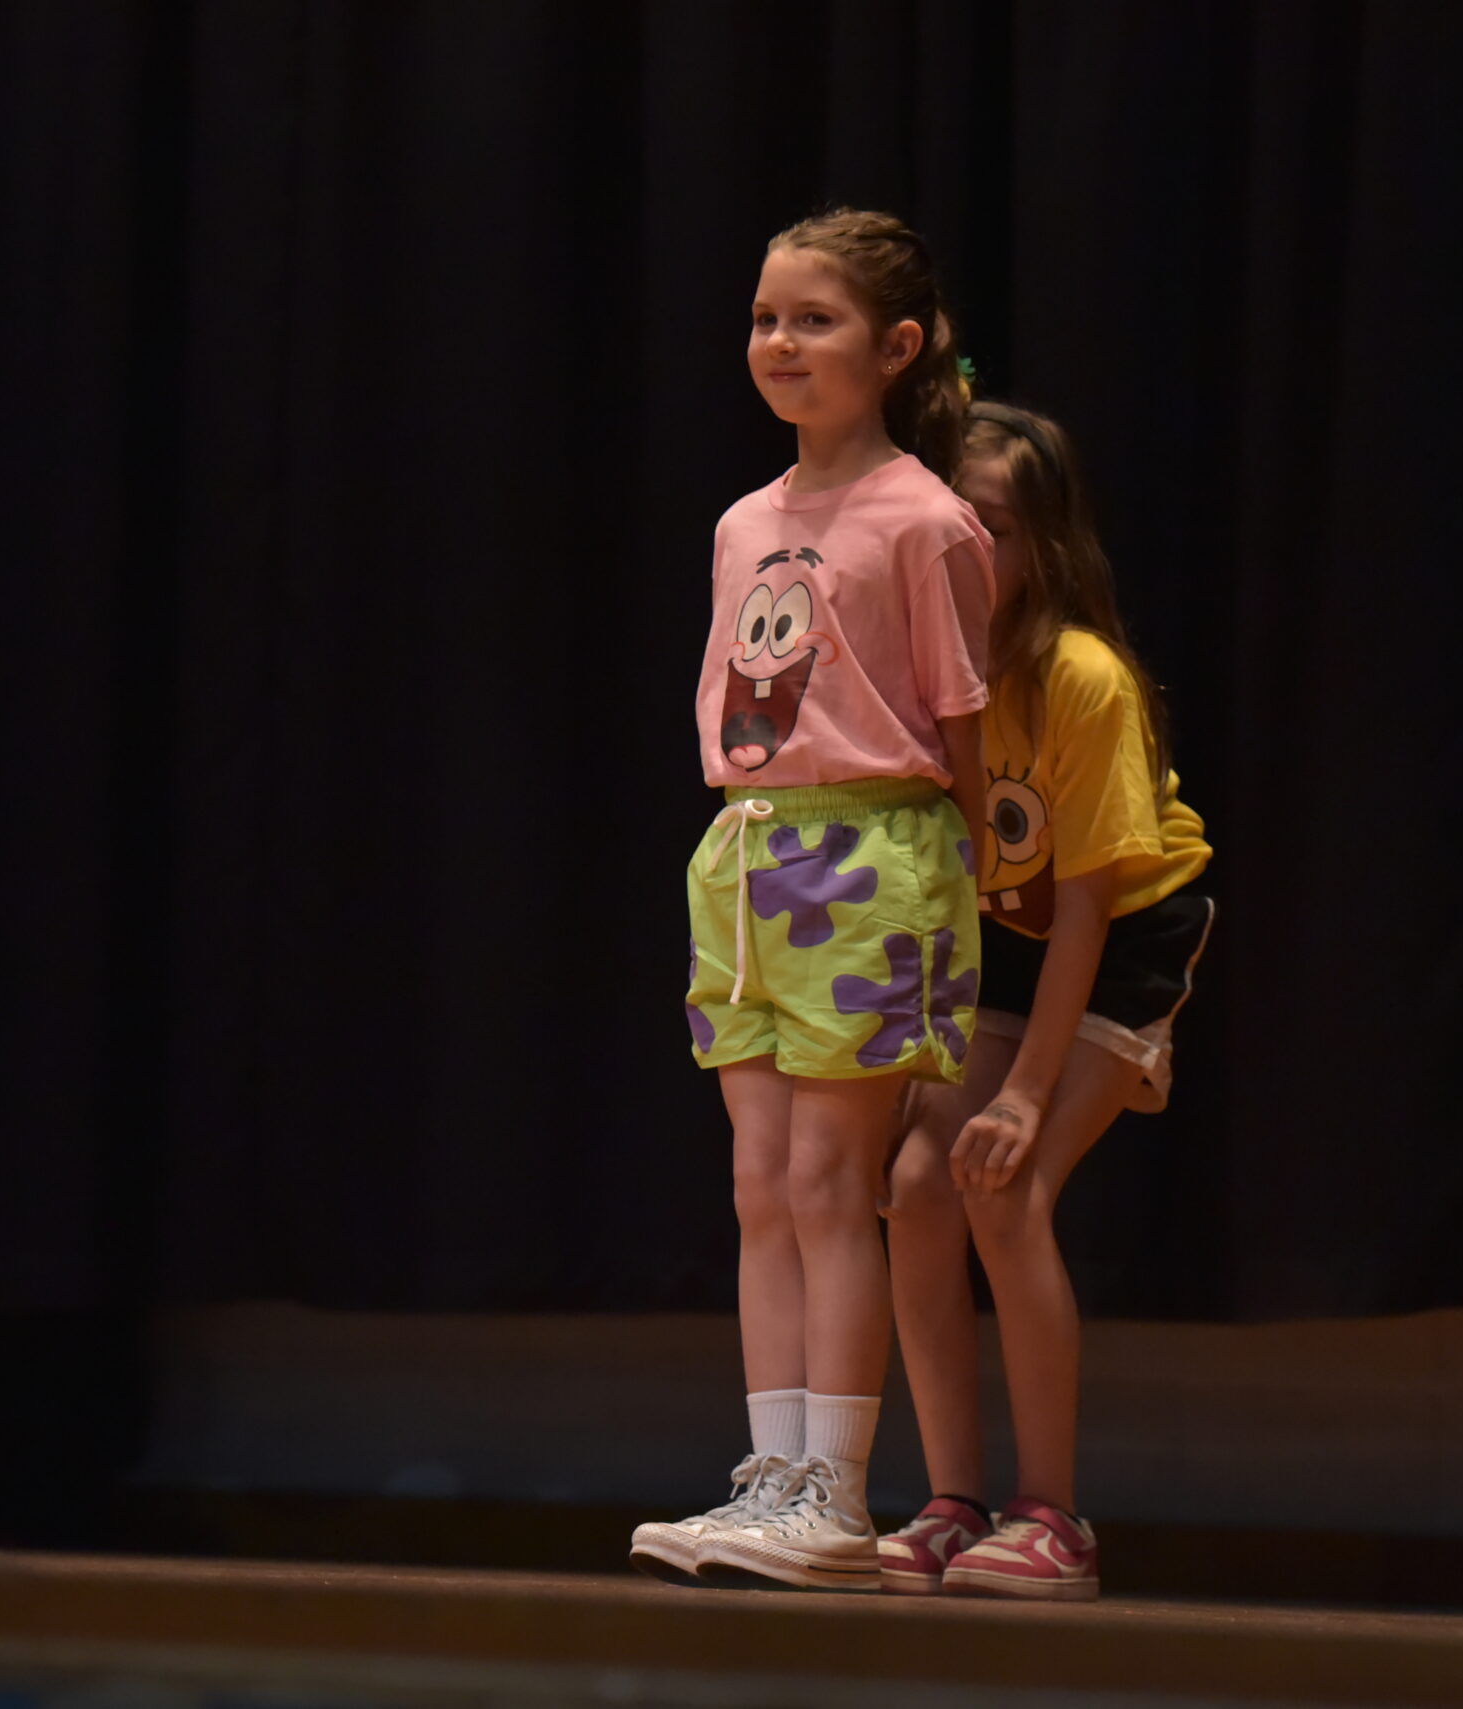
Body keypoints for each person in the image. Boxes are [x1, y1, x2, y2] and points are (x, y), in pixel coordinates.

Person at [628, 209, 994, 1593]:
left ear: (895, 348)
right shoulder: (745, 520)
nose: (780, 342)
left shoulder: (927, 519)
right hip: (746, 854)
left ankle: (835, 1492)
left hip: (872, 855)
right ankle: (772, 1472)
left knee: (836, 1180)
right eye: (765, 318)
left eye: (814, 319)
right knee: (763, 1180)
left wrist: (954, 878)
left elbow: (960, 728)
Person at [877, 400, 1214, 1601]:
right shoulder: (924, 665)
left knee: (1001, 1181)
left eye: (998, 529)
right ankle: (951, 1501)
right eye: (951, 523)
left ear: (1046, 546)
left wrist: (1022, 1093)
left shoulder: (1083, 678)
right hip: (1000, 936)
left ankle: (1052, 1515)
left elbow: (1085, 907)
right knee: (915, 1182)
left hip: (1119, 936)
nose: (970, 550)